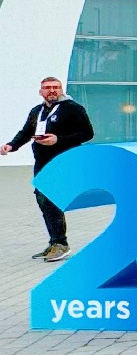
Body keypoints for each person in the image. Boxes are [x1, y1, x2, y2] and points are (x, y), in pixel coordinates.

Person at [3, 76, 95, 262]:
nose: (52, 90)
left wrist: (58, 140)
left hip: (63, 162)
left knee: (51, 200)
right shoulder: (37, 111)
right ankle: (55, 242)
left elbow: (87, 133)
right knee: (43, 201)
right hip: (42, 163)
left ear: (61, 90)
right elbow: (26, 132)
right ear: (41, 92)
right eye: (47, 87)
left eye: (56, 87)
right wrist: (11, 146)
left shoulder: (73, 108)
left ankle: (61, 244)